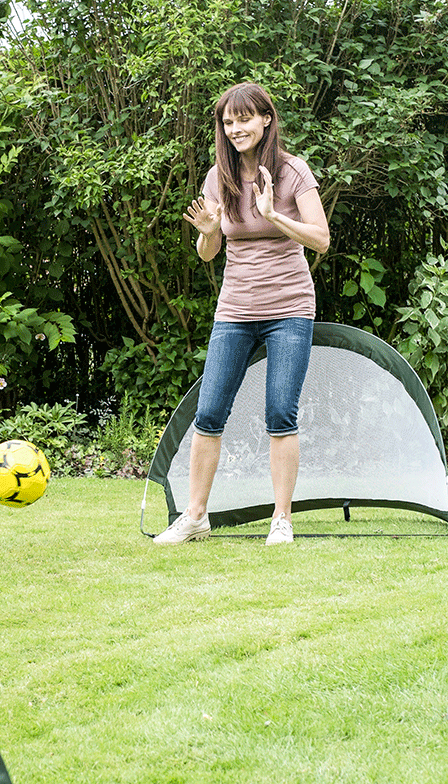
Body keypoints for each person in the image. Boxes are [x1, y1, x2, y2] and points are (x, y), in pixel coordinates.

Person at [154, 82, 330, 547]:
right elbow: (209, 252)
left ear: (266, 120)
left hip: (290, 308)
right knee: (209, 411)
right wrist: (209, 231)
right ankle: (194, 517)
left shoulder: (293, 172)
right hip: (235, 309)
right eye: (228, 122)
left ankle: (282, 519)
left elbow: (321, 238)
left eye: (245, 119)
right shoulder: (219, 177)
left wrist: (273, 215)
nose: (236, 129)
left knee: (279, 412)